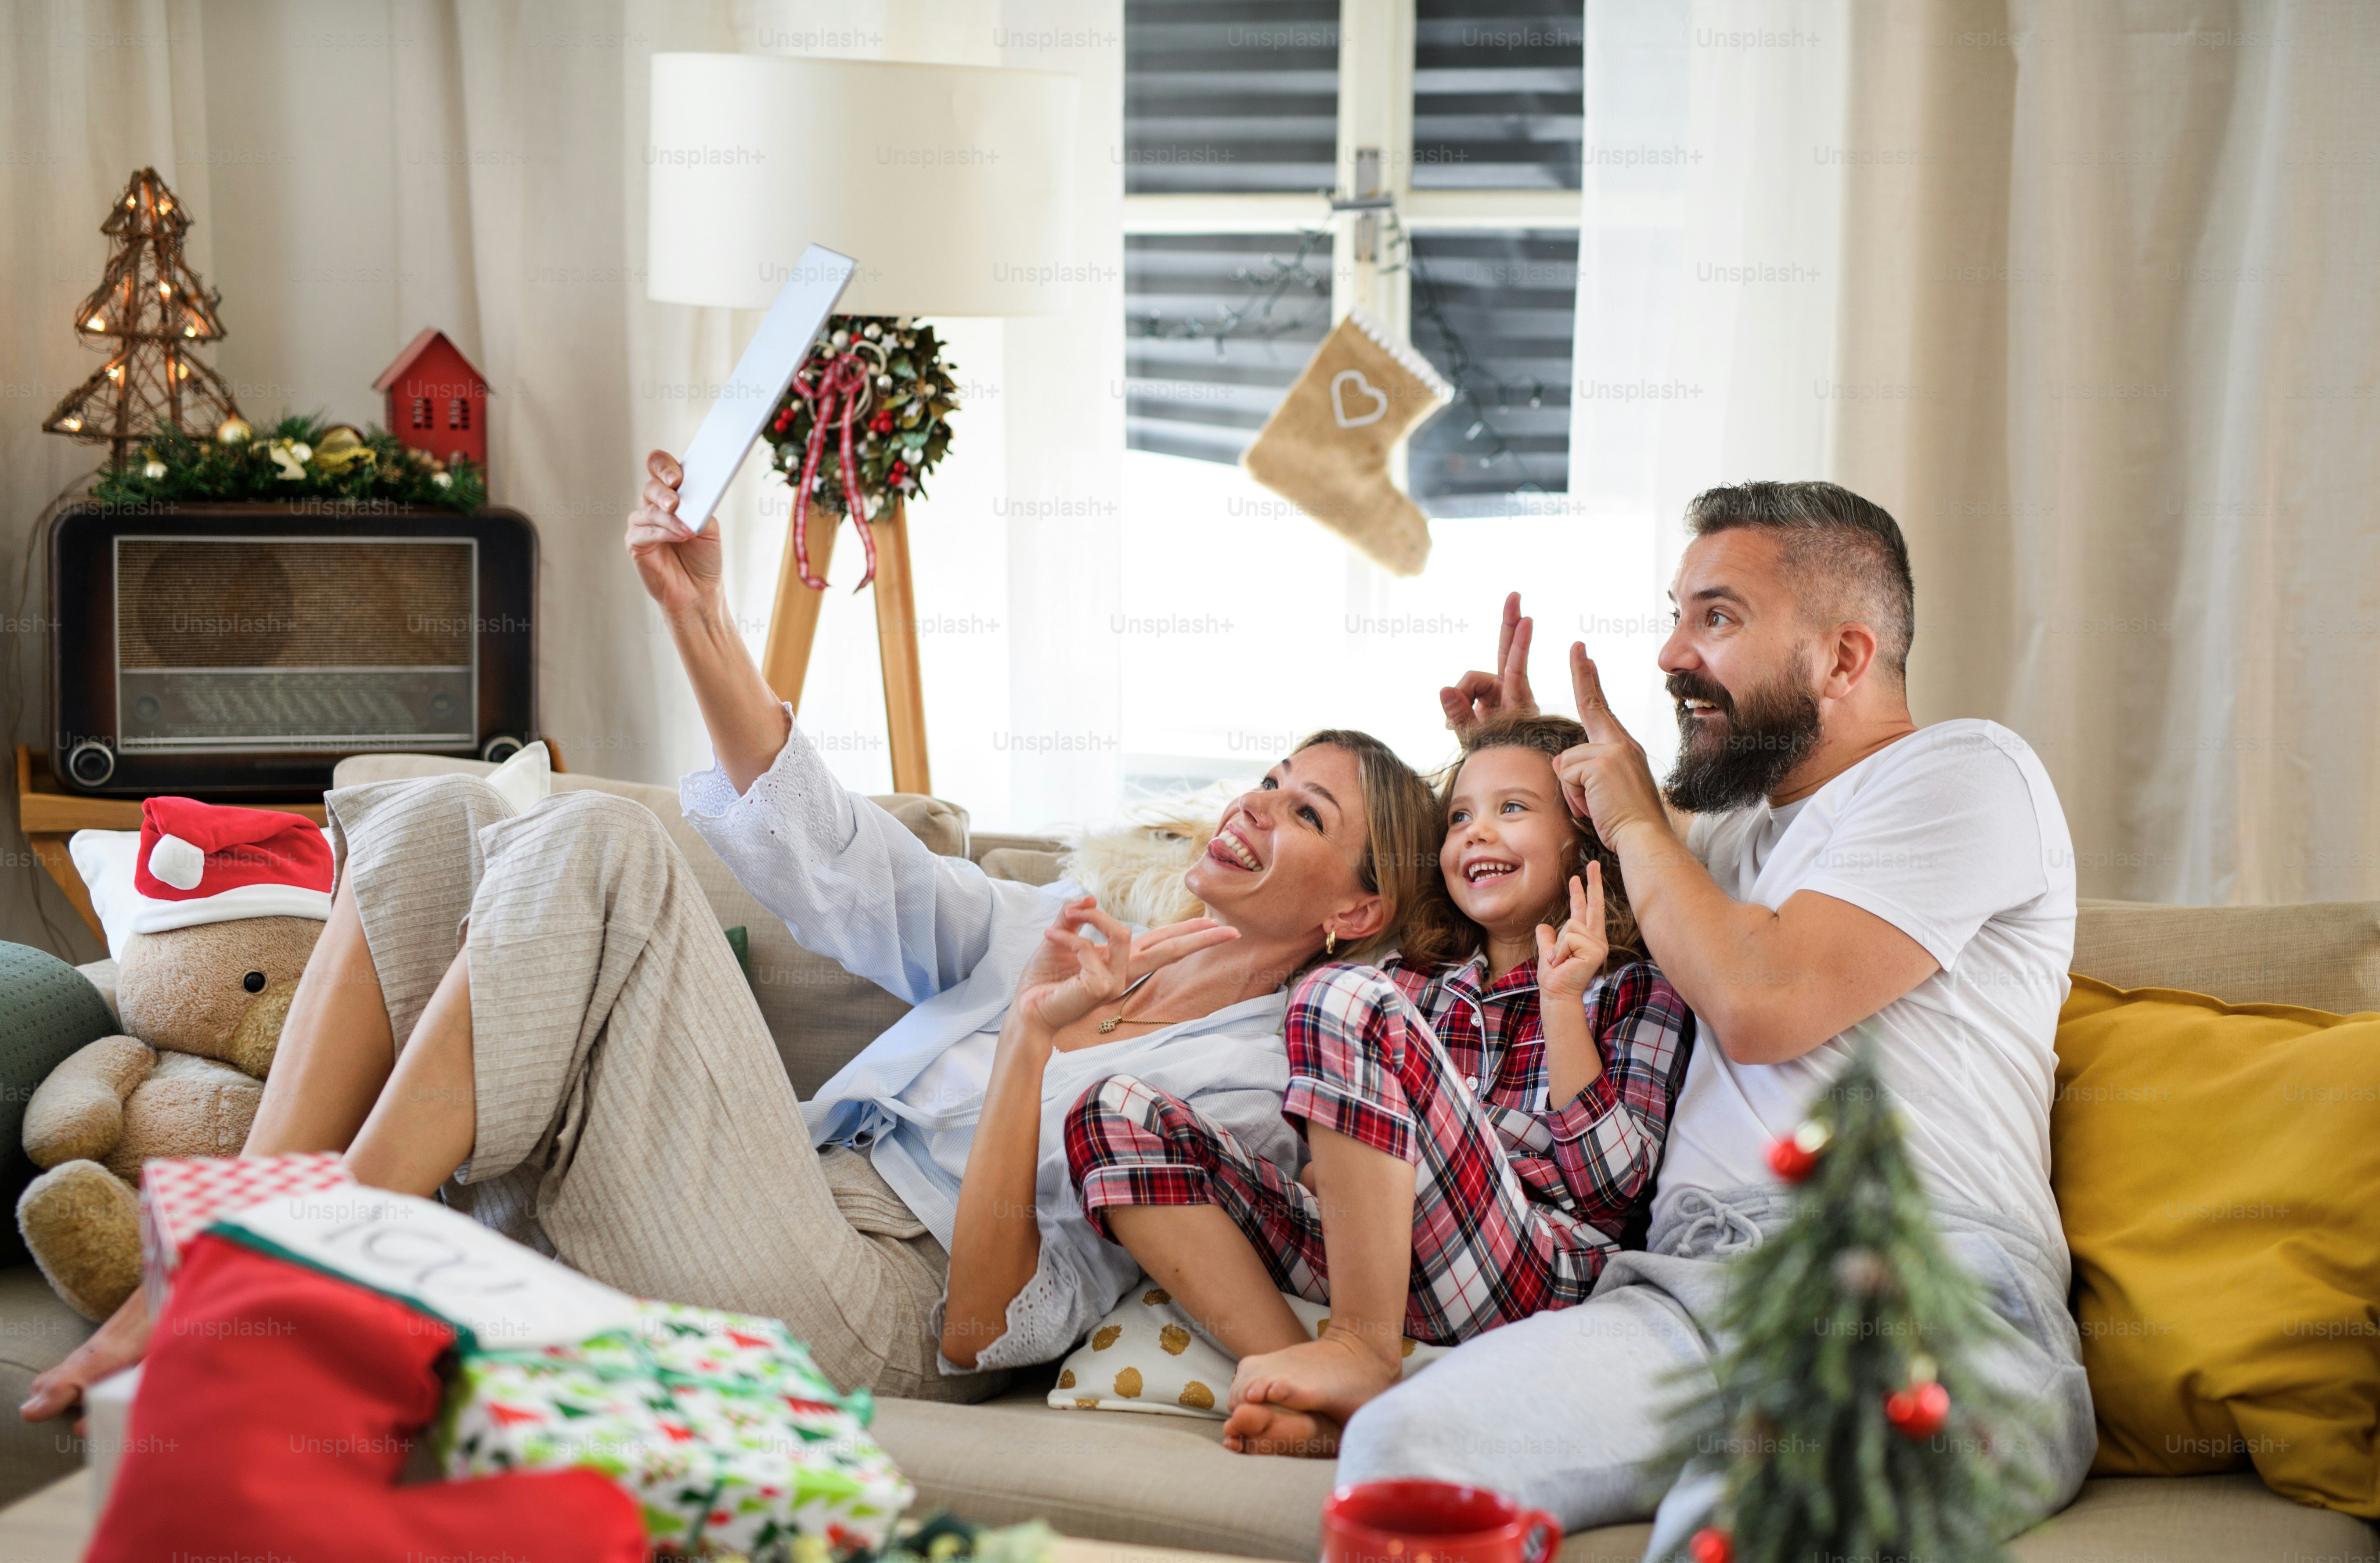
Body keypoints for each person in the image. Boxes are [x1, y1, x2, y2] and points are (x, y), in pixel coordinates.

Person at [22, 451, 1449, 1421]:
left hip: (877, 1309)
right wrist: (700, 614)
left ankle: (289, 1272)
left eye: (1306, 812)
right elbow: (835, 854)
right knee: (434, 813)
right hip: (746, 1197)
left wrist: (1030, 1049)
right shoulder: (1059, 924)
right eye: (1268, 776)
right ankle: (235, 1245)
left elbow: (978, 1326)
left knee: (596, 838)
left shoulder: (1267, 1068)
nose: (1254, 806)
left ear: (1357, 909)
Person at [1336, 485, 2096, 1549]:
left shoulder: (1967, 772)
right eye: (1676, 614)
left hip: (1920, 1293)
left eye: (1718, 617)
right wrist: (1527, 754)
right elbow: (1610, 849)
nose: (1669, 654)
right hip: (1684, 1294)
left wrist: (1631, 817)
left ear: (1842, 657)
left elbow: (1758, 999)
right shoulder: (1733, 843)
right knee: (1403, 1447)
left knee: (1759, 1517)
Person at [1065, 709, 1694, 1457]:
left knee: (1338, 992)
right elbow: (1330, 1147)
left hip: (1531, 1273)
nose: (1476, 832)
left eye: (1511, 809)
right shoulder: (1412, 980)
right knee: (1109, 1110)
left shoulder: (1637, 986)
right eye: (1459, 817)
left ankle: (1360, 1350)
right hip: (1379, 1259)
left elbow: (1612, 1190)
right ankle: (1317, 1399)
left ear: (1585, 840)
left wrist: (1562, 1004)